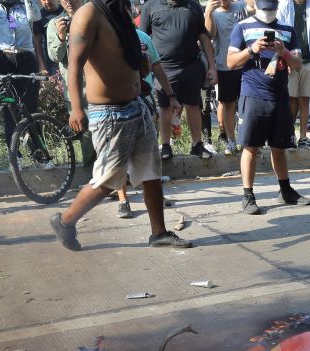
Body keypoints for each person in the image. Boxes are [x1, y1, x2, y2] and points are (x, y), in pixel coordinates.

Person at [50, 0, 190, 250]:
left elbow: (134, 61)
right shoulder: (89, 13)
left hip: (136, 106)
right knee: (108, 179)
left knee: (151, 172)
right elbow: (74, 64)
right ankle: (65, 220)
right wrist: (77, 108)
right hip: (109, 113)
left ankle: (159, 233)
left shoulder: (120, 13)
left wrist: (141, 69)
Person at [227, 0, 310, 214]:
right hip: (253, 96)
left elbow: (298, 65)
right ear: (256, 5)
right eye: (264, 8)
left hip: (280, 96)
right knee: (250, 147)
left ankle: (285, 191)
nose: (268, 13)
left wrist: (283, 52)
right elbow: (230, 62)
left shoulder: (287, 29)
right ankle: (248, 195)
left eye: (271, 8)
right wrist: (251, 49)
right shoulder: (243, 27)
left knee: (279, 147)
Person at [138, 0, 217, 160]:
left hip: (191, 65)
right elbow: (142, 38)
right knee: (165, 107)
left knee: (193, 105)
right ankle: (166, 146)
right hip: (163, 67)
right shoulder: (150, 6)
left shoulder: (193, 6)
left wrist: (212, 67)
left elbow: (204, 38)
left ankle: (197, 145)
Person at [0, 0, 42, 145]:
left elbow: (35, 17)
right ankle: (15, 154)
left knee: (30, 107)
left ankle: (39, 152)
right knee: (9, 107)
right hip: (2, 60)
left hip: (26, 58)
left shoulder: (23, 7)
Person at [206, 0, 244, 154]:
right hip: (224, 66)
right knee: (227, 104)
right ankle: (231, 141)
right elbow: (209, 34)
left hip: (245, 65)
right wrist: (208, 12)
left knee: (247, 106)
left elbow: (253, 5)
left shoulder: (240, 7)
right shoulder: (213, 13)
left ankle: (248, 141)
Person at [279, 0, 310, 147]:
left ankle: (303, 137)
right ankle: (289, 135)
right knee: (291, 99)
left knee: (305, 99)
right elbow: (280, 32)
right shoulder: (284, 5)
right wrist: (285, 58)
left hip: (309, 58)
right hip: (291, 57)